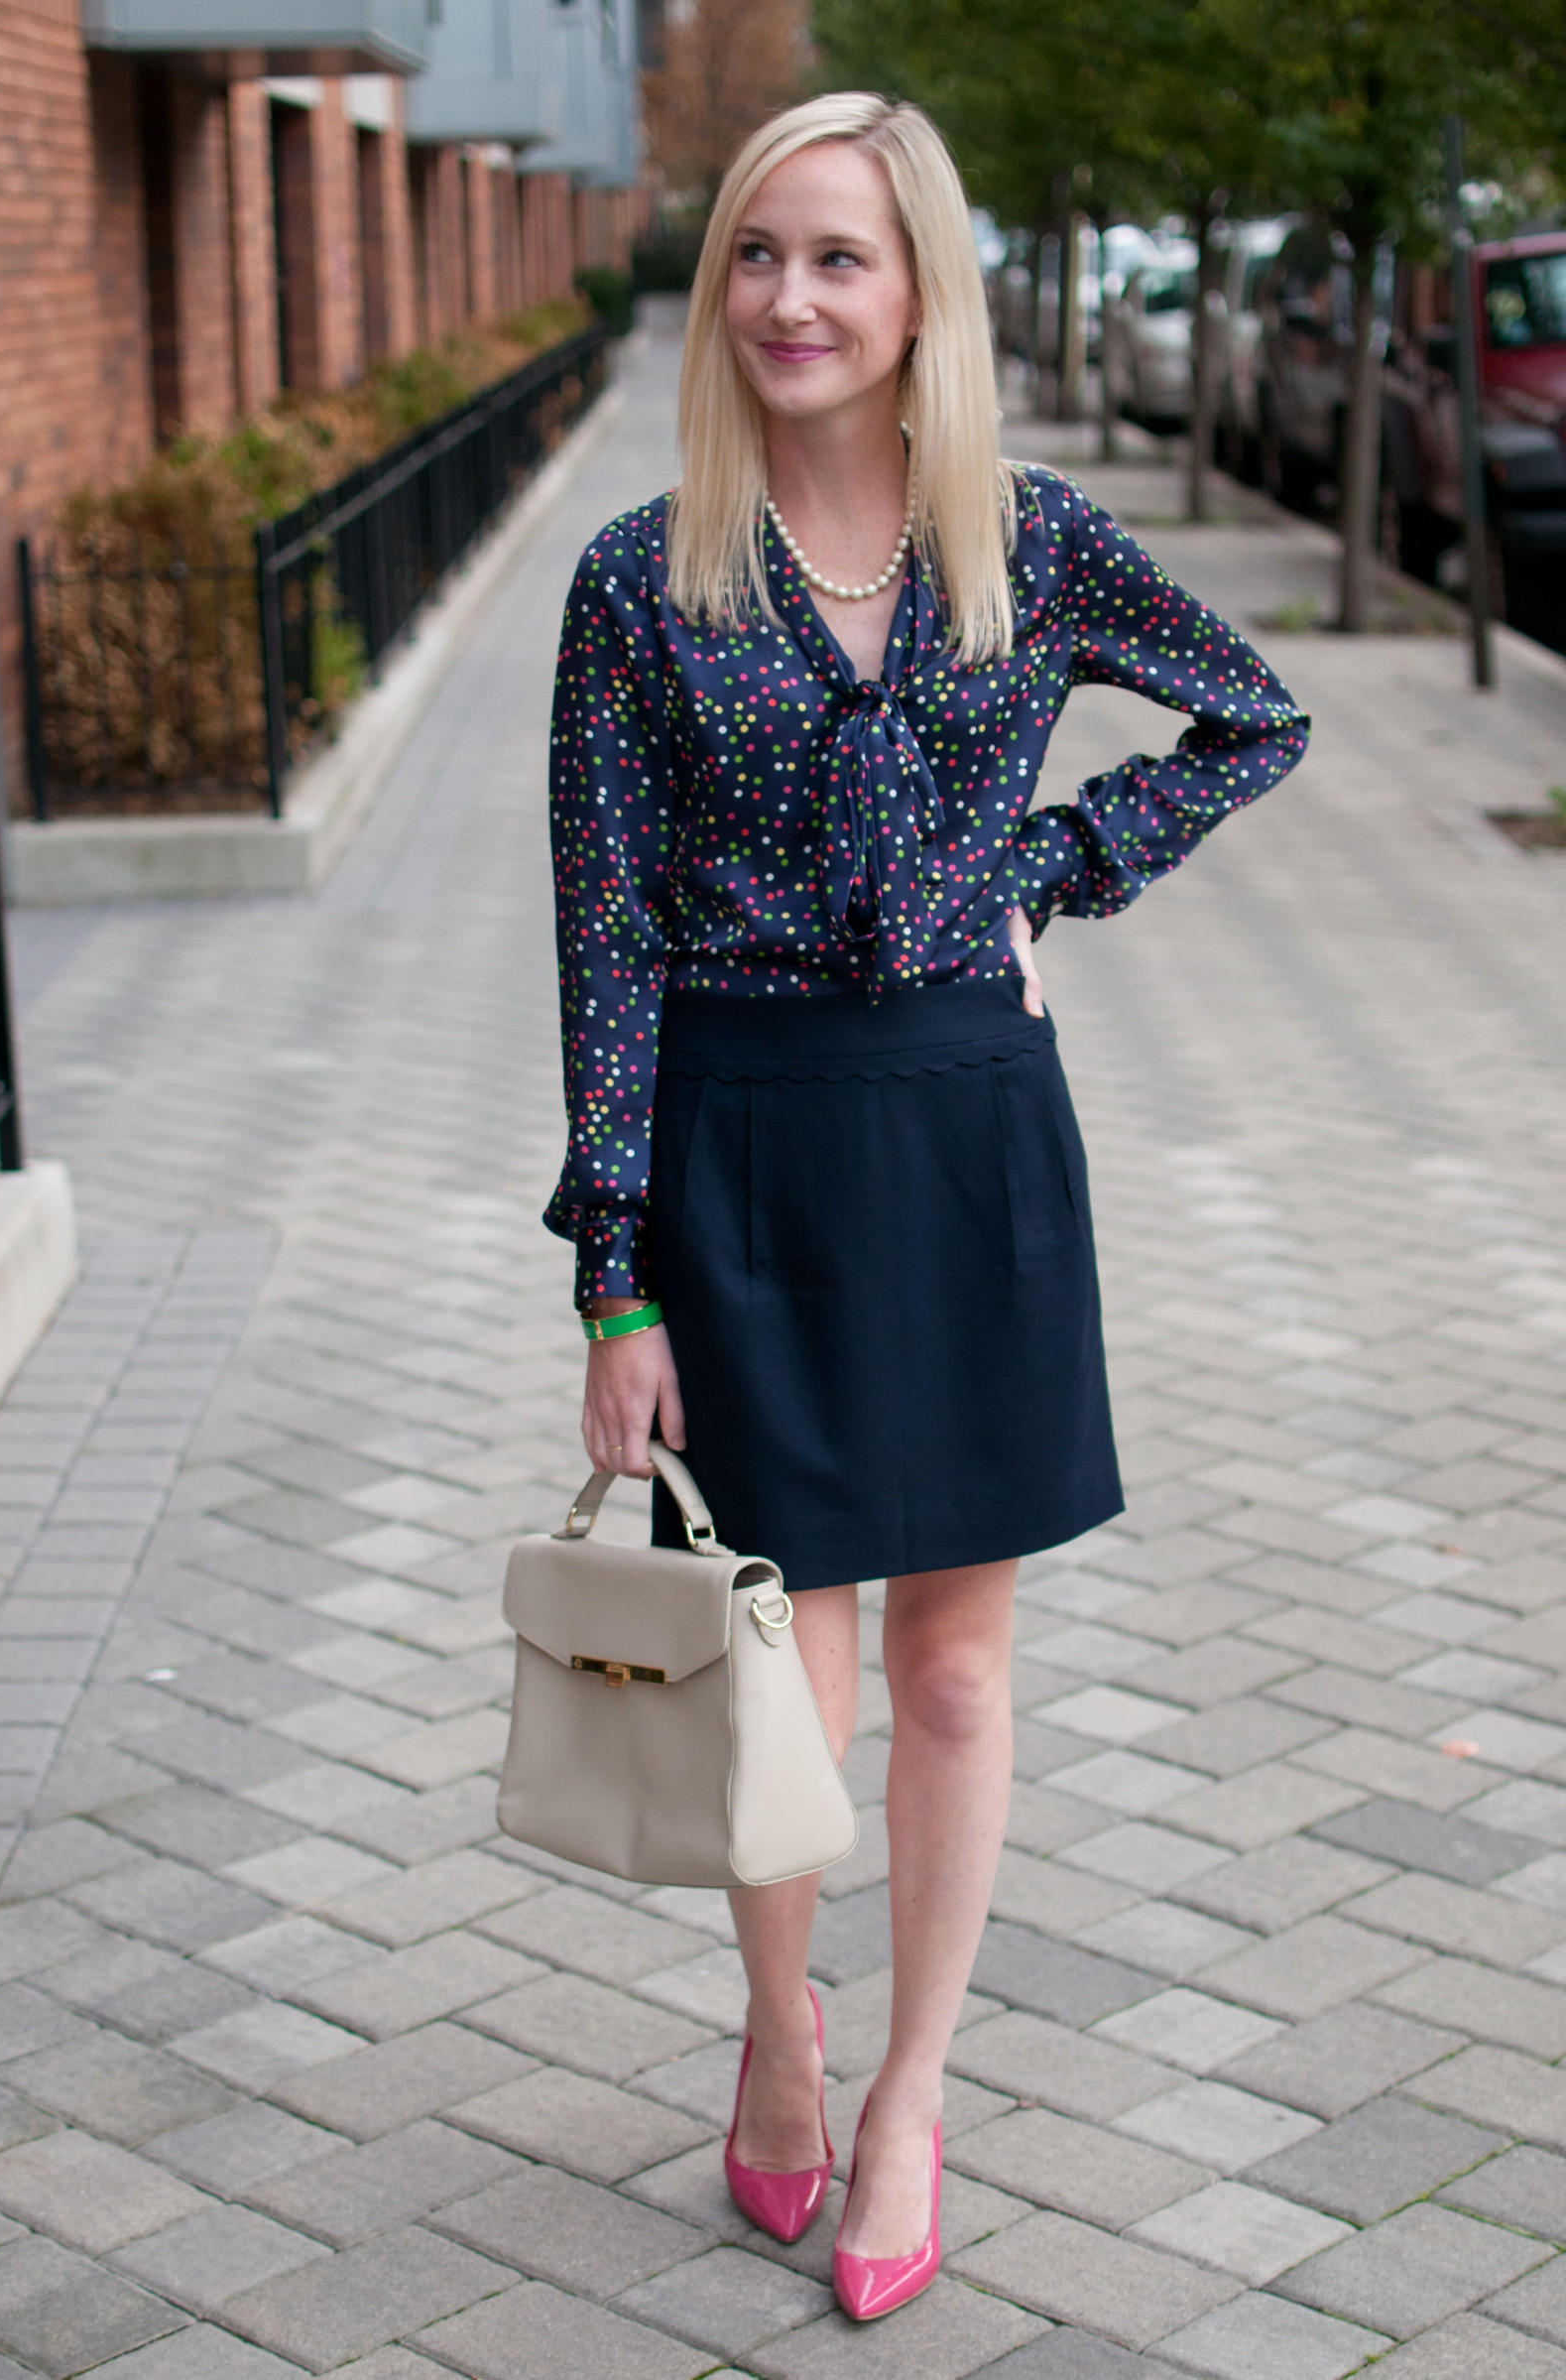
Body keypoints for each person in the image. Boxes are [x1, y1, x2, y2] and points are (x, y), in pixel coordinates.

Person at [543, 91, 1308, 2320]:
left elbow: (1250, 718)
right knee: (790, 1672)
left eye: (837, 259)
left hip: (967, 1134)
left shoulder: (1030, 541)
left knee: (959, 1674)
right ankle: (773, 2037)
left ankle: (906, 2093)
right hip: (744, 1144)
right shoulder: (640, 576)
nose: (789, 298)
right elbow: (601, 938)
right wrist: (613, 1280)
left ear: (917, 295)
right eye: (756, 256)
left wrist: (1051, 869)